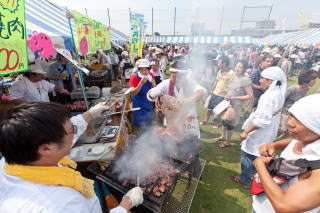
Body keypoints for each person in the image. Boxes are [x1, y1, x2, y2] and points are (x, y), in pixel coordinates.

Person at [0, 102, 143, 213]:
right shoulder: (62, 205)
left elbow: (69, 127)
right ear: (46, 148)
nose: (76, 132)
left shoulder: (13, 158)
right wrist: (126, 203)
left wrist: (90, 114)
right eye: (72, 131)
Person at [253, 94, 320, 213]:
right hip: (260, 206)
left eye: (302, 120)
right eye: (292, 115)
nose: (290, 123)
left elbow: (283, 206)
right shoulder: (306, 138)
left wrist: (260, 166)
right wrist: (274, 145)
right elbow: (294, 141)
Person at [230, 66, 287, 188]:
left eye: (263, 78)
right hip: (268, 132)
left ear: (271, 81)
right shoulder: (278, 93)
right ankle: (255, 178)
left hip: (260, 134)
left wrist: (245, 132)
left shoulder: (268, 97)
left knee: (249, 158)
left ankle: (246, 181)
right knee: (259, 155)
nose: (260, 81)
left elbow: (261, 121)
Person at [147, 61, 206, 138]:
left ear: (184, 75)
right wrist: (153, 93)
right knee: (172, 140)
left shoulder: (190, 83)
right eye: (174, 76)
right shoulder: (166, 84)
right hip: (172, 120)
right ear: (171, 74)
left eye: (180, 77)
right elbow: (150, 95)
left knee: (190, 139)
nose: (176, 79)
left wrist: (190, 100)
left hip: (188, 118)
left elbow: (201, 91)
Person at [216, 60, 253, 148]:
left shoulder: (245, 79)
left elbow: (250, 96)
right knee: (224, 120)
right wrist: (225, 91)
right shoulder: (232, 76)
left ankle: (227, 142)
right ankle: (222, 136)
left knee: (230, 124)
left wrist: (235, 98)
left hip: (236, 106)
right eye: (236, 66)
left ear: (244, 69)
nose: (237, 69)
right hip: (227, 103)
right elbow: (229, 88)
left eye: (240, 67)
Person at [277, 70, 318, 139]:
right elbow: (281, 101)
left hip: (295, 114)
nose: (315, 81)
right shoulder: (292, 89)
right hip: (285, 113)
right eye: (313, 79)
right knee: (283, 129)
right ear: (306, 79)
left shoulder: (307, 89)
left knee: (290, 131)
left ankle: (282, 143)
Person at [201, 56, 233, 127]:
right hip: (215, 92)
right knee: (210, 108)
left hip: (223, 95)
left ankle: (218, 122)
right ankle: (206, 120)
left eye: (219, 62)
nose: (217, 63)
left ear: (224, 63)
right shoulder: (219, 71)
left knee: (219, 110)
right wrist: (212, 89)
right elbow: (216, 81)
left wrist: (227, 89)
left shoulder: (231, 73)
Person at [129, 59, 156, 127]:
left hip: (147, 100)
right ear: (138, 69)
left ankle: (148, 130)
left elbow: (155, 87)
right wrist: (141, 83)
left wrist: (152, 81)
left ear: (149, 69)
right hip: (138, 101)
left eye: (146, 70)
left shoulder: (150, 74)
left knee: (149, 118)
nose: (144, 72)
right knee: (139, 119)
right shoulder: (134, 76)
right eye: (142, 70)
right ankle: (139, 131)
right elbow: (133, 93)